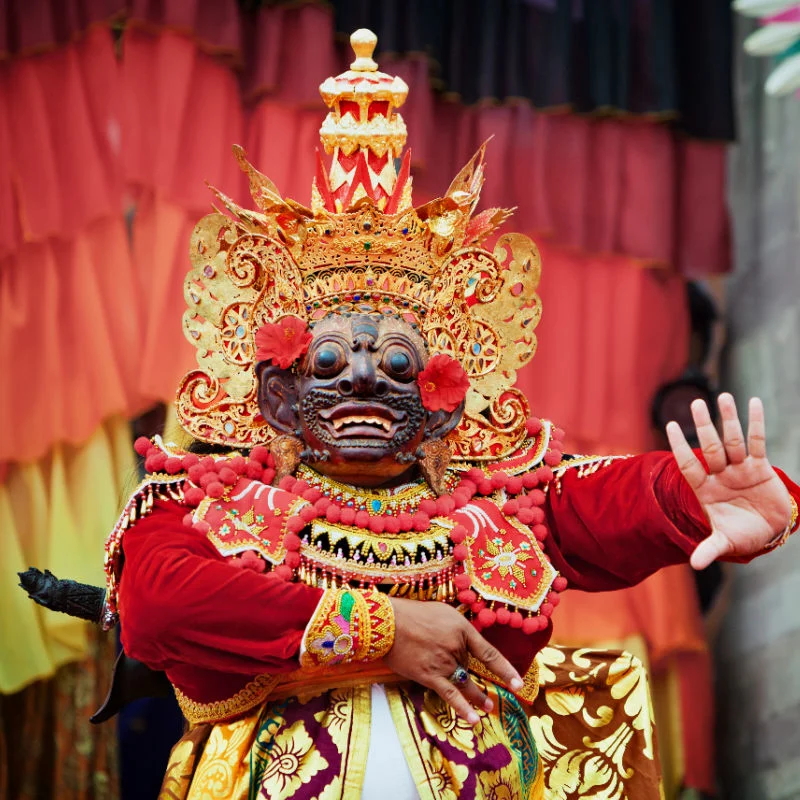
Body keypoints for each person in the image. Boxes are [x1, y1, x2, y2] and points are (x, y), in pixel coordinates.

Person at [45, 30, 800, 800]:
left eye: (399, 363)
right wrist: (386, 633)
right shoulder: (214, 507)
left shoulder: (496, 514)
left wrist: (695, 497)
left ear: (442, 406)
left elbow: (604, 501)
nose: (368, 378)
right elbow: (158, 602)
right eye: (331, 362)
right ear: (279, 395)